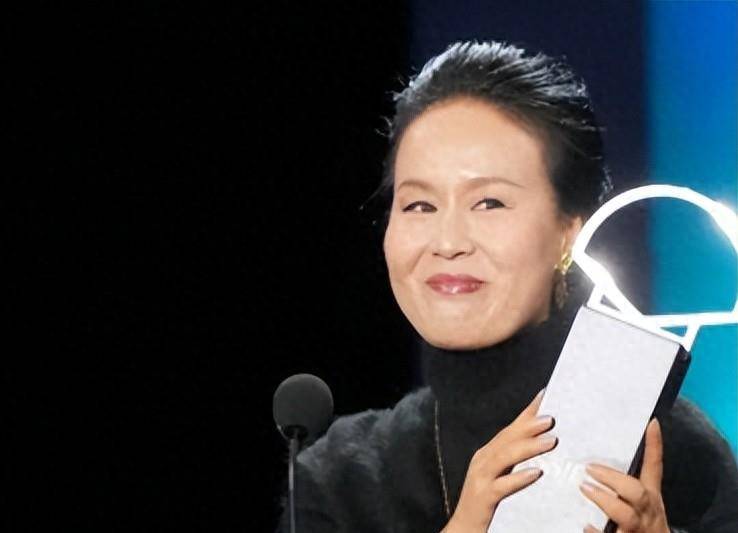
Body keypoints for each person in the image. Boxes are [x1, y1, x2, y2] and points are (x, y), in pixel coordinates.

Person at [277, 41, 738, 533]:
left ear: (568, 232)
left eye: (489, 203)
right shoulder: (337, 481)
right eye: (419, 206)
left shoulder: (678, 453)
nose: (448, 242)